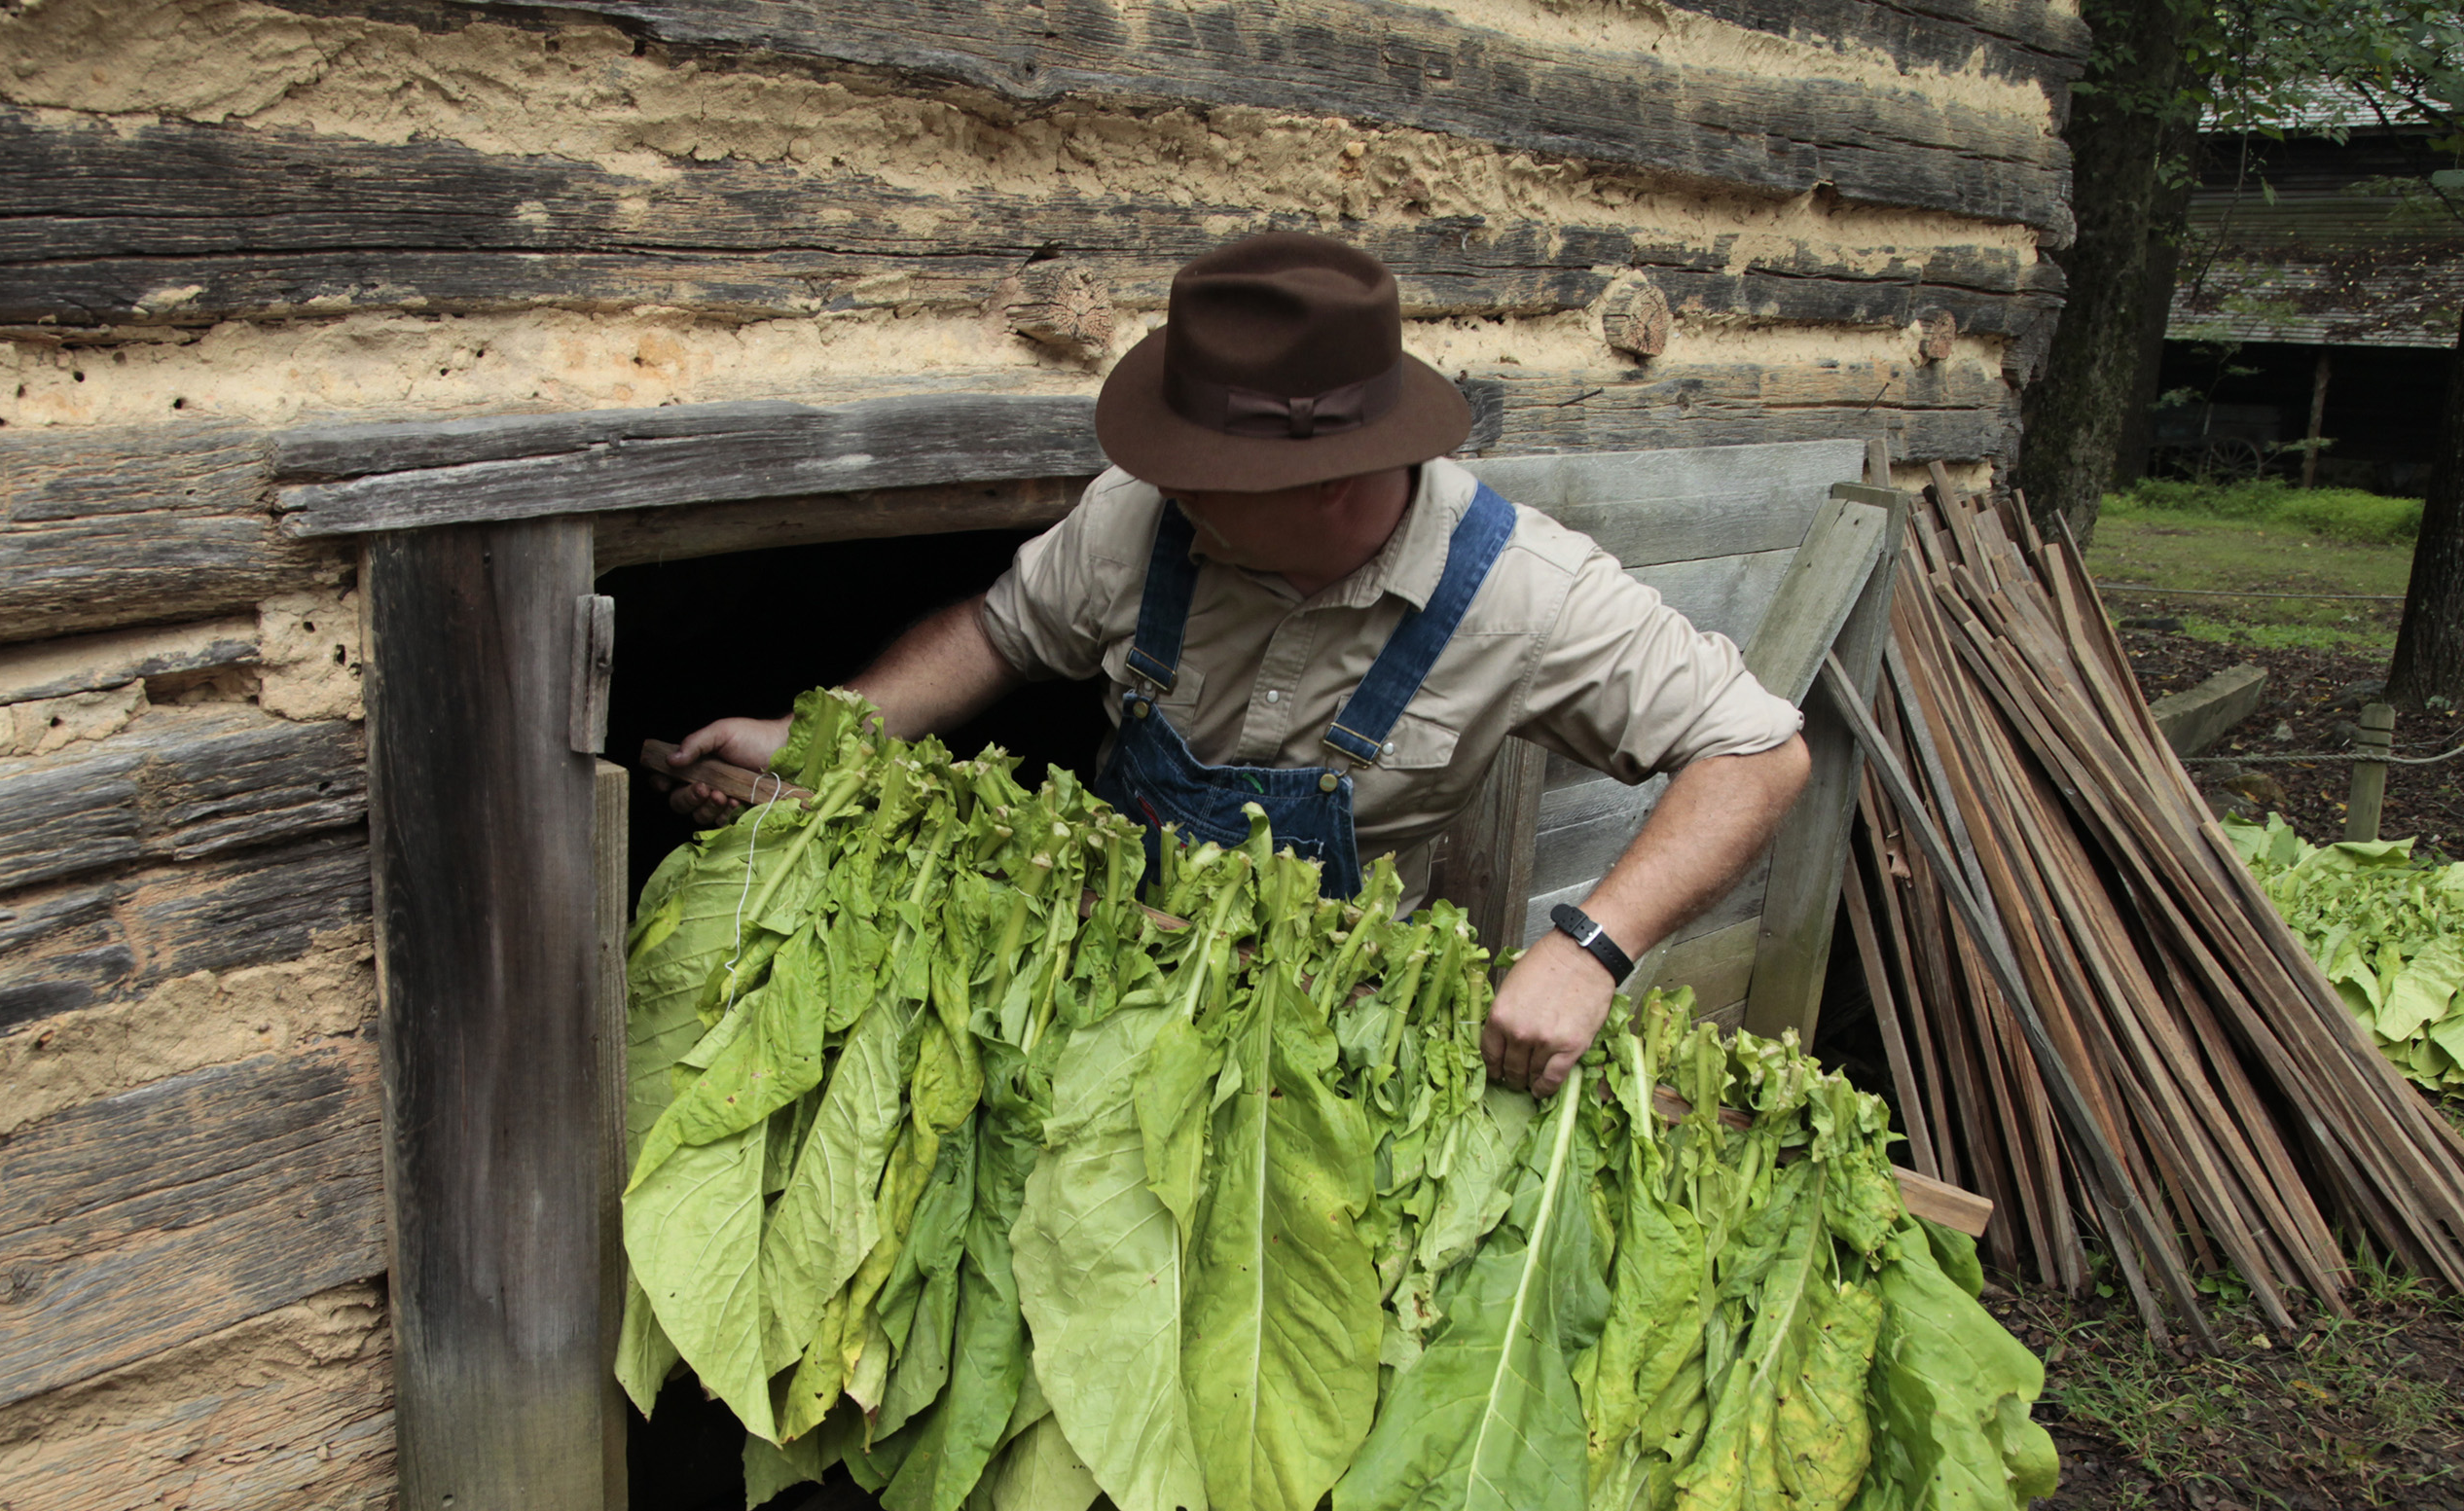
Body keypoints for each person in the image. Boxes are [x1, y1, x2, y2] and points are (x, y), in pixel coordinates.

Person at [665, 231, 1809, 1098]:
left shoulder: (1530, 595)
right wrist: (836, 727)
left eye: (1203, 475)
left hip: (1323, 1026)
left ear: (1332, 484)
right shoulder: (1139, 520)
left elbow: (1758, 752)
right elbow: (1001, 631)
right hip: (1088, 965)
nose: (1170, 493)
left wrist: (1590, 952)